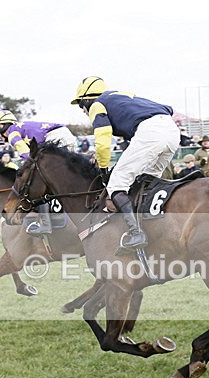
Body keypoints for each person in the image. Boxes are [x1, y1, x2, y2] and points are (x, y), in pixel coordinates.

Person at [70, 75, 179, 251]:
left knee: (116, 185)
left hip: (150, 132)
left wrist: (104, 169)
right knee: (146, 181)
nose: (83, 110)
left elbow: (103, 140)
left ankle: (136, 234)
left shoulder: (97, 104)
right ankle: (155, 226)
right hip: (171, 130)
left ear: (86, 99)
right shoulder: (119, 96)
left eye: (81, 104)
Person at [0, 110, 78, 236]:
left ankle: (46, 224)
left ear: (2, 125)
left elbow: (24, 151)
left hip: (56, 138)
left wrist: (29, 166)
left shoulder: (12, 133)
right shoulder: (20, 128)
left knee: (37, 183)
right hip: (62, 135)